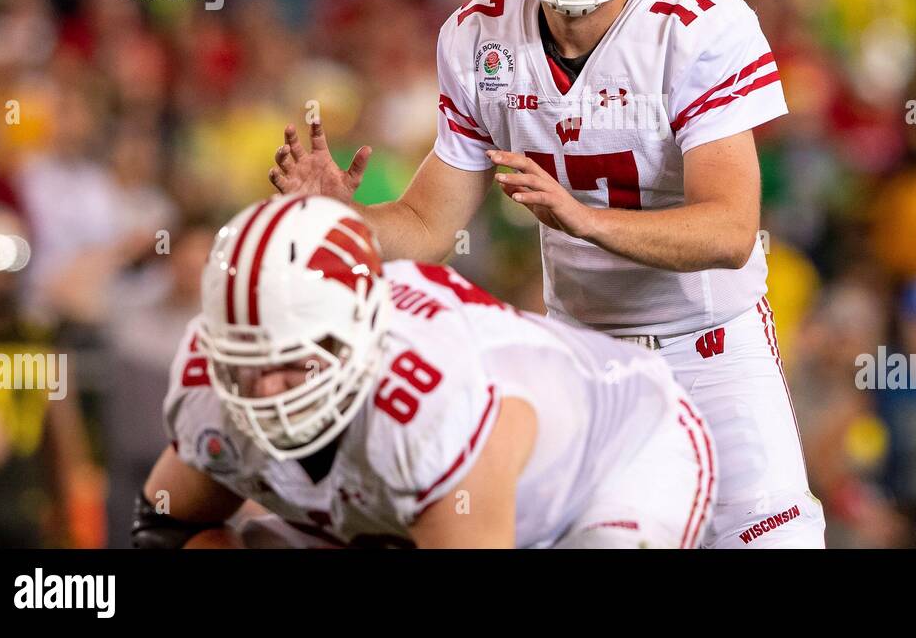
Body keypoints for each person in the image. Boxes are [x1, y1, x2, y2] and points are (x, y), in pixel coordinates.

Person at [269, 0, 823, 547]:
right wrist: (340, 219)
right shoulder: (478, 39)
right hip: (586, 357)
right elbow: (429, 227)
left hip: (712, 347)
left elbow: (729, 229)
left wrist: (584, 220)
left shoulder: (696, 27)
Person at [135, 194, 715, 549]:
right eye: (247, 362)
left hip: (617, 464)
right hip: (413, 509)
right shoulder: (208, 389)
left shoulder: (428, 398)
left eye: (292, 361)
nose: (264, 390)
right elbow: (168, 529)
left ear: (358, 335)